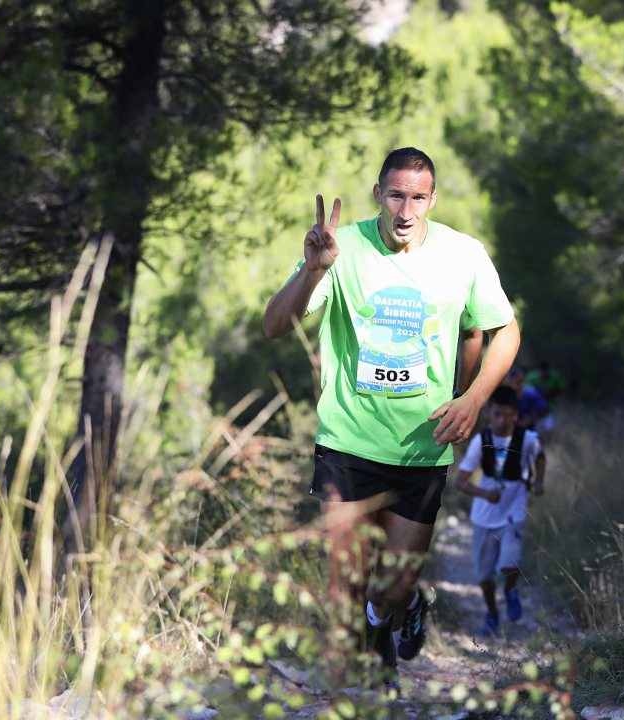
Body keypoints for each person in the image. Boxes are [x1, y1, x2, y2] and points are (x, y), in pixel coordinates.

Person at [262, 148, 520, 684]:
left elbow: (503, 331)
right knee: (346, 585)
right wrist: (313, 272)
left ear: (432, 200)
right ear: (379, 194)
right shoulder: (342, 247)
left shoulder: (463, 255)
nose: (405, 210)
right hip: (347, 443)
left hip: (419, 448)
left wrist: (471, 399)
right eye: (396, 195)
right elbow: (274, 324)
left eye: (417, 198)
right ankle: (355, 690)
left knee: (393, 587)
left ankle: (393, 616)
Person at [453, 385, 545, 634]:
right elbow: (459, 482)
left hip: (513, 514)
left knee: (509, 564)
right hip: (484, 517)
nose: (503, 420)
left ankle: (511, 589)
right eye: (497, 414)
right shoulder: (480, 442)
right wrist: (484, 494)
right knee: (484, 577)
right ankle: (492, 612)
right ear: (488, 414)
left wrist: (538, 481)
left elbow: (540, 456)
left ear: (516, 414)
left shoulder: (526, 439)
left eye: (508, 414)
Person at [526, 361, 565, 436]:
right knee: (536, 429)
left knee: (549, 428)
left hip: (550, 407)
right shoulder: (532, 377)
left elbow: (561, 389)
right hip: (536, 408)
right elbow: (526, 389)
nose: (543, 373)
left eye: (545, 371)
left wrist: (550, 392)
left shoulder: (555, 378)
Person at [503, 368, 547, 432]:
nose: (513, 384)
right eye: (511, 381)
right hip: (507, 433)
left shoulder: (530, 394)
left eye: (516, 382)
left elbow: (545, 408)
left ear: (522, 381)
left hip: (527, 432)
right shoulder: (503, 395)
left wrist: (532, 418)